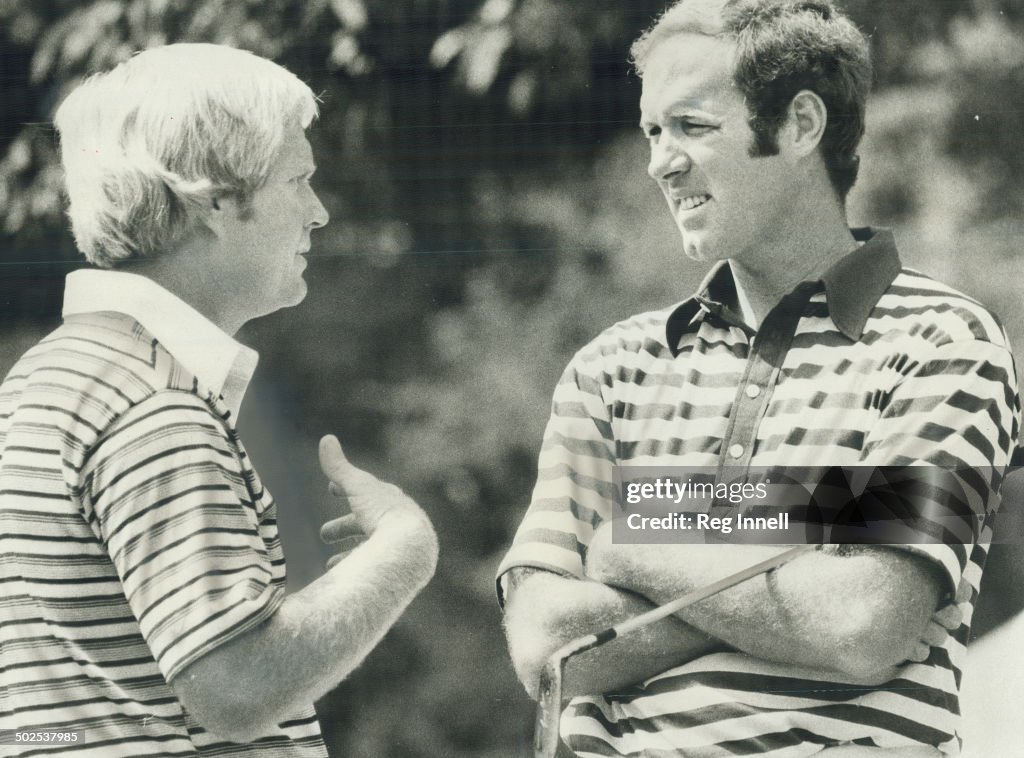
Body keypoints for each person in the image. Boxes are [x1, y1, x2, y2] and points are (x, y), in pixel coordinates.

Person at [499, 1, 1019, 756]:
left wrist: (633, 541)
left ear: (802, 125)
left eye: (693, 127)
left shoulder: (943, 339)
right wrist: (812, 544)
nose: (661, 161)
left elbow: (861, 625)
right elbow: (544, 648)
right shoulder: (609, 369)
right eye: (653, 131)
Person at [0, 44, 438, 756]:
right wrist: (403, 551)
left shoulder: (45, 381)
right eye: (297, 180)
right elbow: (236, 690)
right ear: (215, 202)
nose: (319, 212)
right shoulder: (151, 407)